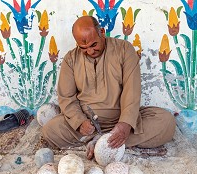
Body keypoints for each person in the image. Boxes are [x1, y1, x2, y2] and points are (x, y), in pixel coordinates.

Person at [42, 16, 176, 159]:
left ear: (102, 32)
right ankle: (105, 143)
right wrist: (79, 121)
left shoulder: (124, 49)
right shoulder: (70, 59)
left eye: (94, 45)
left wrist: (125, 124)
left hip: (121, 119)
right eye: (83, 48)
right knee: (50, 131)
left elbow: (132, 90)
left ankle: (103, 142)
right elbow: (66, 97)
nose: (90, 52)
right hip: (88, 125)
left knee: (166, 122)